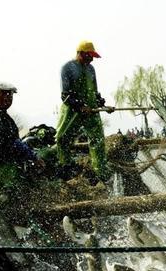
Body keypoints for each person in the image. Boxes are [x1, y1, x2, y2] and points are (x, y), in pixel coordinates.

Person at [55, 40, 114, 181]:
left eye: (93, 56)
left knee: (97, 140)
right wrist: (80, 106)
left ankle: (100, 172)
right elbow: (65, 95)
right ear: (80, 53)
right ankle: (66, 168)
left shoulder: (91, 69)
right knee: (63, 138)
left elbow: (94, 91)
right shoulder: (68, 68)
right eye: (89, 55)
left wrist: (102, 104)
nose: (91, 59)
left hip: (91, 109)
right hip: (72, 110)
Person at [0, 82, 43, 207]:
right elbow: (9, 144)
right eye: (2, 93)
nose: (7, 97)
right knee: (12, 192)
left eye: (10, 94)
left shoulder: (1, 114)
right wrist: (33, 157)